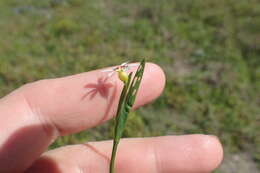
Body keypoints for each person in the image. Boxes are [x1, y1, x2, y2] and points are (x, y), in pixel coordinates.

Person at [0, 63, 223, 172]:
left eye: (122, 72)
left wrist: (123, 80)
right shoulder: (117, 80)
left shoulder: (122, 81)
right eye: (121, 72)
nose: (120, 72)